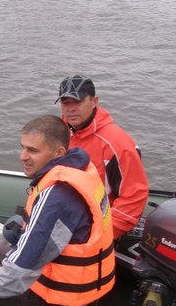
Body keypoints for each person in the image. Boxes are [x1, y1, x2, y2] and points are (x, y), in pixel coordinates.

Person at [0, 115, 116, 306]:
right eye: (22, 148)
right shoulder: (82, 170)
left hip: (58, 305)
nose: (22, 156)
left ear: (59, 153)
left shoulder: (56, 197)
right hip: (80, 289)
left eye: (32, 150)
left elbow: (25, 263)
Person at [56, 75, 149, 240]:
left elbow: (134, 197)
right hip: (61, 217)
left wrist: (98, 235)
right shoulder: (57, 133)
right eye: (65, 103)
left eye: (77, 102)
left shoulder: (117, 143)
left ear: (94, 101)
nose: (71, 108)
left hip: (94, 229)